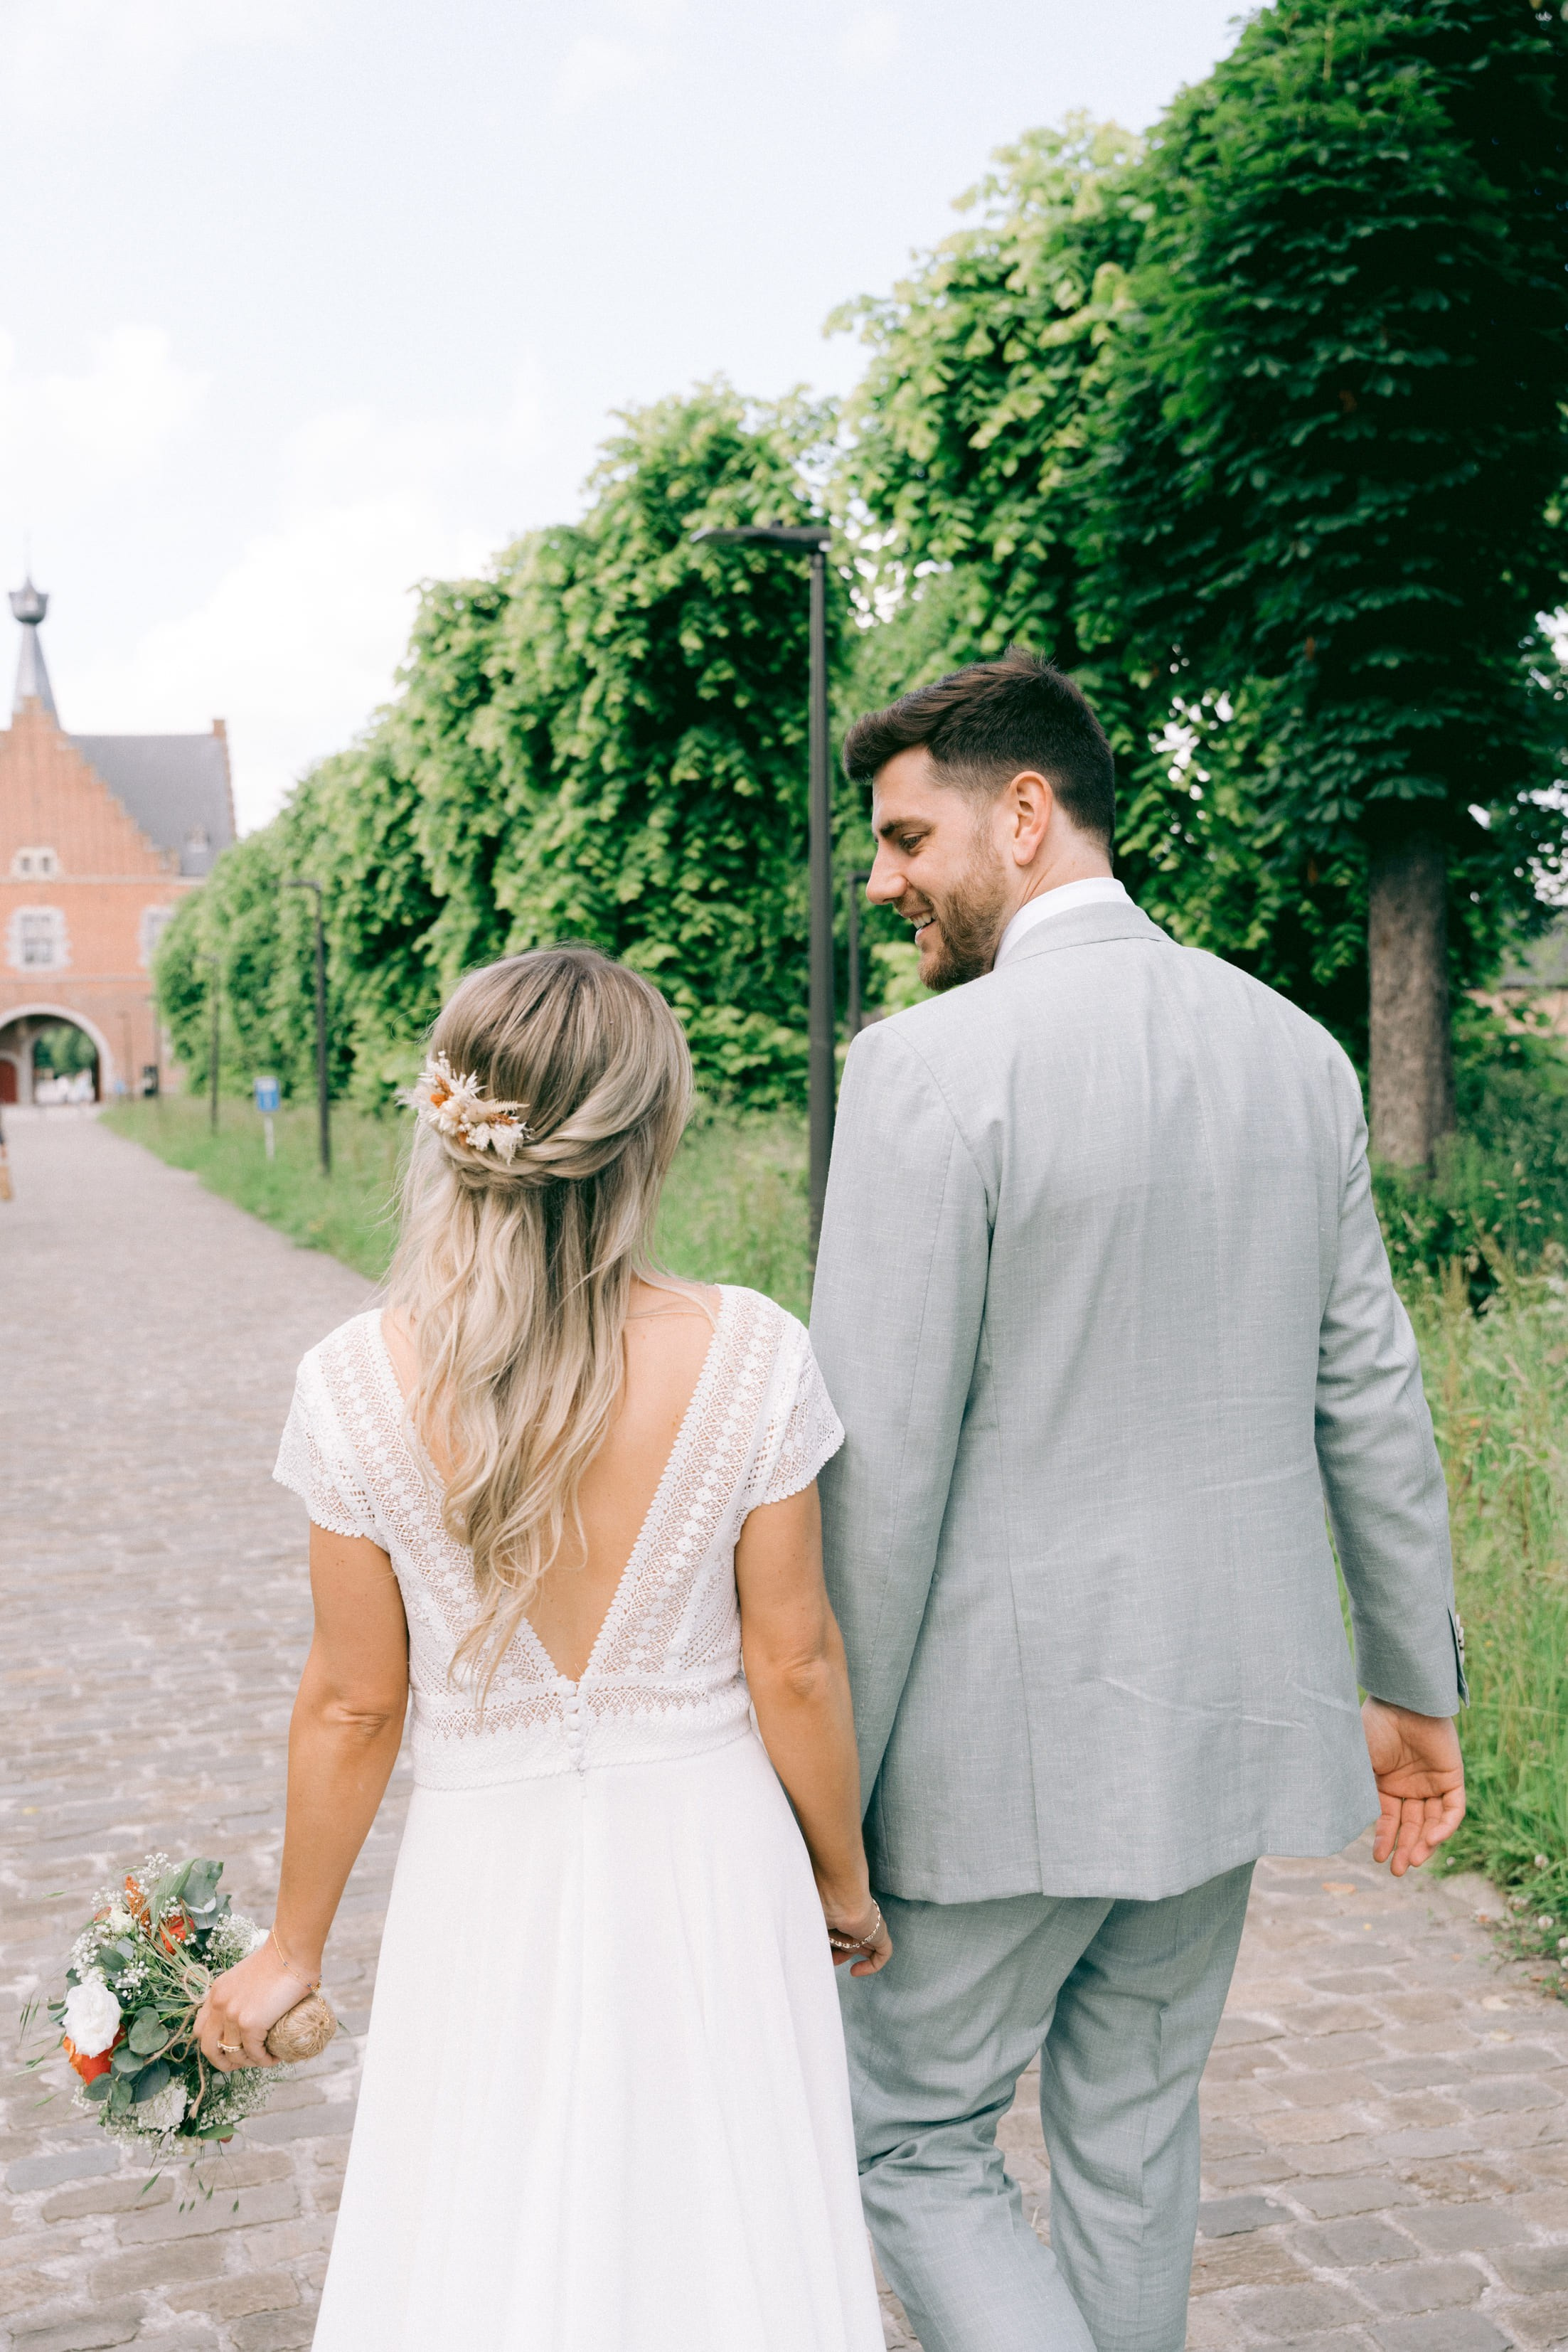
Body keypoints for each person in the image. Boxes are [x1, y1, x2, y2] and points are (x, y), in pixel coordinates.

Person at [811, 651, 1468, 2352]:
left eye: (903, 835)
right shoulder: (1295, 1052)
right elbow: (1370, 1401)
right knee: (1129, 2144)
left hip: (979, 1772)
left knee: (910, 2140)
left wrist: (825, 1795)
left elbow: (877, 1476)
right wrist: (1411, 1684)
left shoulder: (923, 1069)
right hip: (1226, 1727)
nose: (882, 881)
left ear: (1023, 814)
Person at [196, 946, 890, 2351]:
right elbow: (795, 1661)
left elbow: (350, 1703)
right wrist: (841, 1876)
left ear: (450, 1118)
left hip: (481, 1872)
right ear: (654, 1137)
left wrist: (292, 1945)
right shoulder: (751, 1354)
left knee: (483, 2221)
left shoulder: (349, 1383)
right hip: (711, 1851)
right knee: (725, 2221)